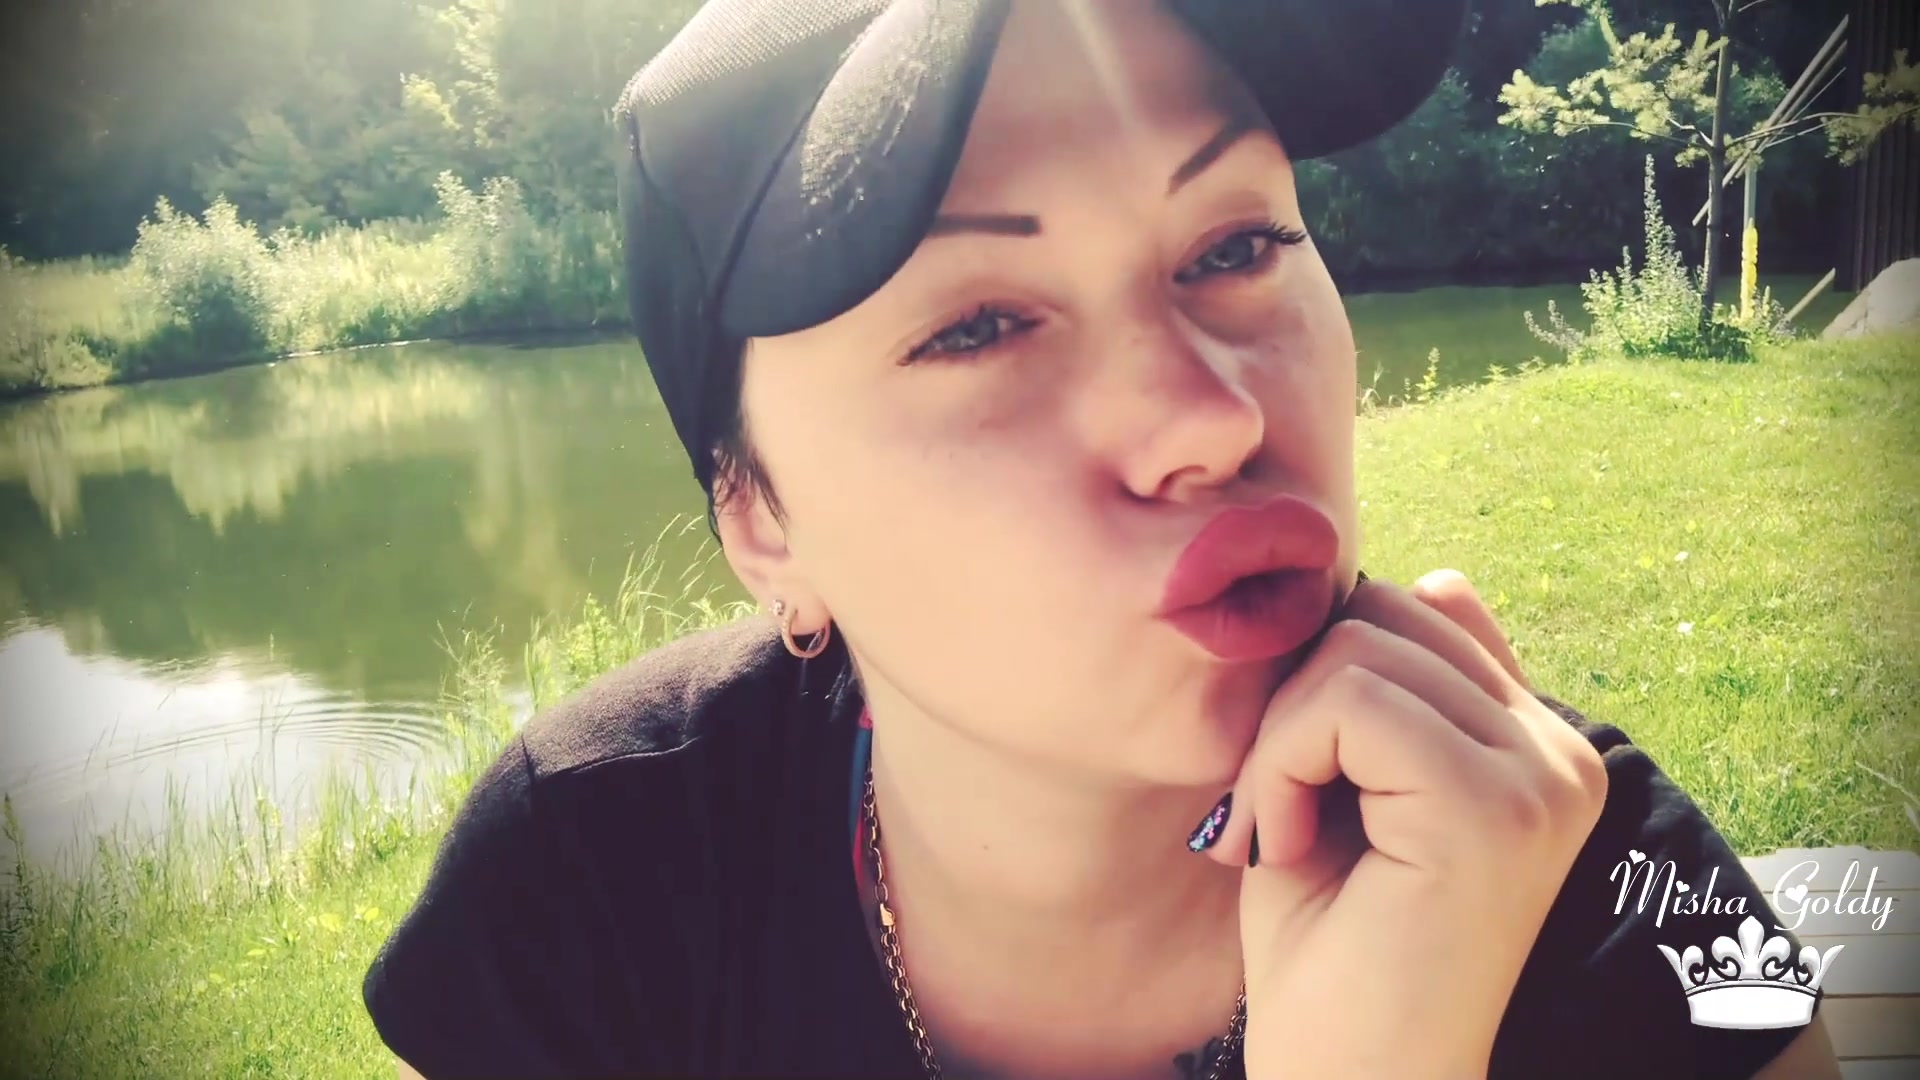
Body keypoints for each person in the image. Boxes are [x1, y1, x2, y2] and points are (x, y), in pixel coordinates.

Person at [362, 1, 1844, 1077]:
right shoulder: (594, 880)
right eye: (979, 326)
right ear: (760, 521)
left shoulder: (1596, 889)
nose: (1207, 418)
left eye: (1236, 246)